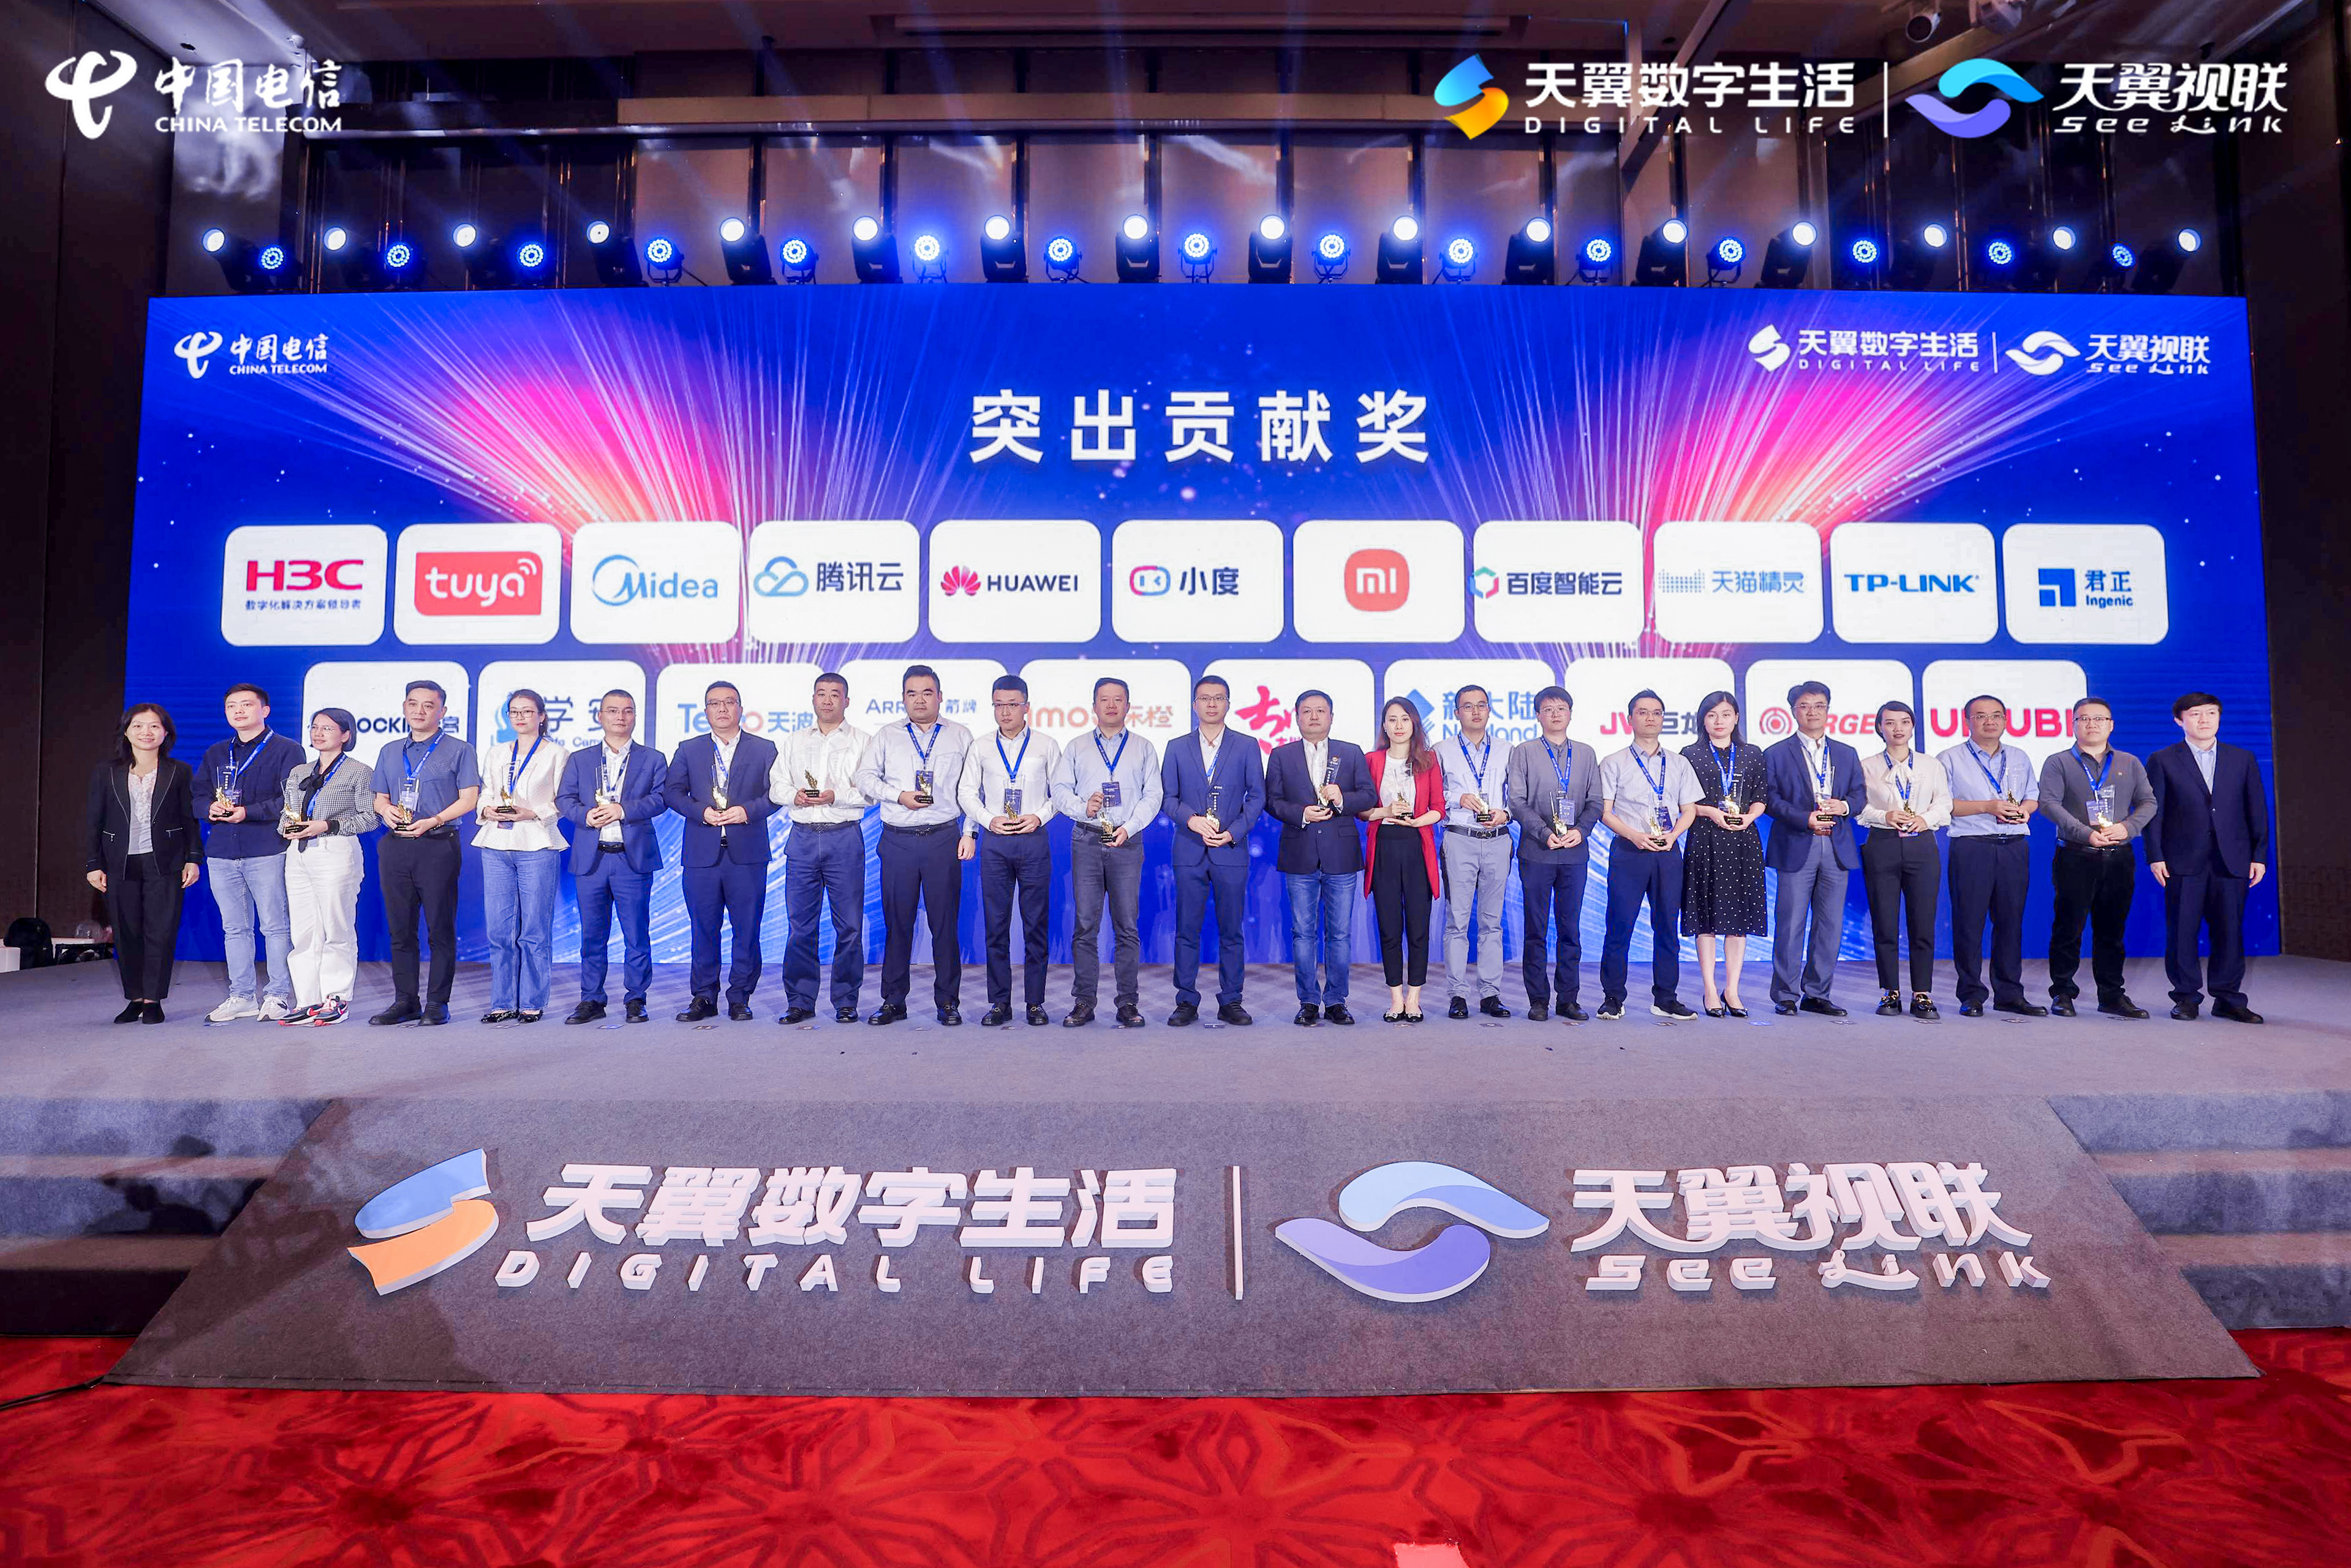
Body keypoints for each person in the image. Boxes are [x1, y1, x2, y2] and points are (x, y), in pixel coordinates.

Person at [851, 665, 976, 1027]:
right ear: (903, 698)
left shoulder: (960, 735)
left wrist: (970, 832)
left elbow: (973, 789)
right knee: (898, 924)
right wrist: (898, 795)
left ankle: (948, 1002)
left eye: (927, 693)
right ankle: (893, 1001)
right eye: (912, 694)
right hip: (898, 841)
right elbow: (864, 777)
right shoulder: (887, 735)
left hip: (943, 839)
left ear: (940, 697)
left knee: (944, 925)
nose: (919, 700)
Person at [2146, 692, 2270, 1023]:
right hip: (2182, 859)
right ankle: (2186, 997)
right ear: (2179, 720)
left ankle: (2228, 998)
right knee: (2182, 931)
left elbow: (2256, 809)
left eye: (2211, 713)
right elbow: (2154, 811)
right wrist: (2155, 855)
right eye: (2196, 714)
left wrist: (2259, 855)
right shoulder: (2163, 759)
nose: (2204, 720)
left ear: (2219, 717)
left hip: (2233, 859)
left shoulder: (2242, 758)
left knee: (2230, 931)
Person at [1049, 676, 1163, 1028]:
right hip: (1087, 839)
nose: (1111, 705)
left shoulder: (1143, 747)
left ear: (1128, 706)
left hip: (1127, 840)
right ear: (1094, 706)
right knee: (1085, 926)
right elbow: (1059, 789)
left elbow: (1153, 795)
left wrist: (1130, 827)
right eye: (1104, 699)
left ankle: (1128, 1002)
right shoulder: (1077, 747)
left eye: (1118, 700)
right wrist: (1083, 807)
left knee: (1127, 926)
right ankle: (1084, 1001)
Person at [663, 680, 780, 1022]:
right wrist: (700, 811)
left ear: (741, 709)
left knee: (747, 929)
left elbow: (777, 794)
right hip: (702, 855)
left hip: (748, 854)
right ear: (705, 712)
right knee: (703, 928)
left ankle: (740, 997)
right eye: (715, 703)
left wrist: (748, 811)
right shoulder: (689, 749)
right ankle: (704, 996)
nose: (723, 709)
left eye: (730, 702)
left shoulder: (764, 749)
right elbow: (672, 793)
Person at [369, 679, 481, 1027]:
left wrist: (434, 820)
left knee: (439, 928)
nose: (420, 711)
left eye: (429, 705)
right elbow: (379, 796)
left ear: (442, 711)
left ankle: (437, 1003)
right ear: (404, 708)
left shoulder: (459, 749)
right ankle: (406, 1001)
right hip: (395, 845)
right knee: (400, 929)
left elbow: (469, 799)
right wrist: (384, 810)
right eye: (413, 704)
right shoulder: (390, 750)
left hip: (437, 844)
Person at [2037, 698, 2157, 1019]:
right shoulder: (2059, 762)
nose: (2092, 724)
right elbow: (2049, 804)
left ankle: (2112, 995)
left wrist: (2127, 828)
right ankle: (2063, 992)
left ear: (2111, 725)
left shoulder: (2130, 762)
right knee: (2068, 928)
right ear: (2073, 724)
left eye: (2099, 719)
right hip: (2076, 855)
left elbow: (2148, 802)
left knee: (2112, 930)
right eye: (2084, 719)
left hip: (2119, 857)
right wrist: (2084, 833)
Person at [86, 703, 203, 1022]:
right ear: (127, 732)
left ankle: (153, 1000)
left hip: (165, 861)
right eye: (138, 726)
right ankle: (135, 998)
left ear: (165, 733)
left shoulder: (179, 771)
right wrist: (93, 864)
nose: (146, 732)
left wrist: (193, 859)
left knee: (161, 931)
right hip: (118, 862)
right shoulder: (106, 771)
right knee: (126, 932)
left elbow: (189, 819)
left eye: (154, 726)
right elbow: (94, 820)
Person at [1264, 688, 1375, 1027]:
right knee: (1303, 934)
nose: (1314, 716)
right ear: (1296, 717)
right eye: (1307, 711)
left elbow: (1368, 796)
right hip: (1299, 853)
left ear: (1331, 716)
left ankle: (1337, 1000)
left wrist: (1342, 800)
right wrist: (1302, 813)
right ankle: (1309, 1001)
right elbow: (1272, 801)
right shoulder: (1281, 755)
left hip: (1341, 856)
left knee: (1340, 934)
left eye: (1320, 711)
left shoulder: (1350, 752)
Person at [197, 683, 306, 1022]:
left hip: (266, 848)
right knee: (234, 929)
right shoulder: (217, 752)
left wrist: (249, 812)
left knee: (275, 926)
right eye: (232, 706)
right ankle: (242, 996)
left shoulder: (288, 750)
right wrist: (209, 808)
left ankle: (277, 995)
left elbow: (291, 800)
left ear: (265, 710)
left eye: (246, 705)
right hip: (221, 851)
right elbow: (197, 795)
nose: (239, 711)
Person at [1162, 674, 1266, 1027]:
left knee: (1232, 931)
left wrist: (1233, 832)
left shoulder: (1247, 745)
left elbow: (1258, 796)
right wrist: (1191, 821)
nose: (1211, 704)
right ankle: (1186, 1001)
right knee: (1186, 930)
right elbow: (1168, 798)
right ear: (1195, 705)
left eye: (1218, 698)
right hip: (1189, 849)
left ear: (1228, 704)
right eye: (1205, 698)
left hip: (1230, 850)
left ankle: (1231, 1000)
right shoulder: (1176, 747)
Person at [556, 690, 665, 1025]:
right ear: (600, 716)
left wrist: (623, 810)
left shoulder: (653, 758)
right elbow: (564, 799)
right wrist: (585, 816)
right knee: (592, 935)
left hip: (632, 860)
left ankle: (636, 999)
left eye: (627, 711)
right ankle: (592, 999)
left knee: (636, 933)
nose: (621, 717)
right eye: (613, 711)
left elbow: (661, 799)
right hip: (592, 859)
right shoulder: (581, 759)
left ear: (635, 717)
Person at [959, 675, 1061, 1027]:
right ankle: (1000, 1002)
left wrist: (1039, 817)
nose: (1005, 712)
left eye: (1013, 705)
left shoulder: (1046, 745)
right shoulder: (981, 746)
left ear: (1026, 707)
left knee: (1035, 925)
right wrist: (987, 821)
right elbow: (967, 792)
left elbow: (1061, 792)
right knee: (996, 926)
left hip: (1033, 839)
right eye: (999, 705)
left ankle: (1035, 1002)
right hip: (996, 841)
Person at [1762, 681, 1869, 1017]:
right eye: (1805, 706)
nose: (1813, 712)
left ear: (1828, 710)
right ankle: (1785, 994)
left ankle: (1817, 994)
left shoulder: (1846, 753)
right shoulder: (1776, 753)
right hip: (1798, 843)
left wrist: (1844, 807)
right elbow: (1770, 799)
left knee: (1830, 925)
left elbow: (1860, 795)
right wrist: (1804, 818)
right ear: (1793, 711)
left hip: (1836, 846)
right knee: (1790, 923)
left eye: (1819, 705)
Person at [1937, 693, 2045, 1017]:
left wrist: (2025, 811)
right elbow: (1943, 804)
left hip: (2014, 845)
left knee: (2011, 922)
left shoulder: (2019, 756)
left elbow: (2032, 796)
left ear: (2005, 721)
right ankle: (1971, 994)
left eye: (1996, 716)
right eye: (1981, 716)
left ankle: (2010, 993)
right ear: (1967, 721)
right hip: (1972, 845)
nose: (1990, 722)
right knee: (1969, 923)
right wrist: (1987, 806)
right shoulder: (1950, 758)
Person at [771, 673, 870, 1025]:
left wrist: (835, 796)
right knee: (800, 925)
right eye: (821, 694)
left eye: (835, 694)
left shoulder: (863, 741)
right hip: (802, 838)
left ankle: (846, 1000)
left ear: (847, 701)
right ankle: (800, 1001)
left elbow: (872, 792)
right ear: (813, 699)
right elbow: (776, 786)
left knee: (850, 926)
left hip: (844, 836)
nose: (827, 700)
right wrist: (793, 795)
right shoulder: (794, 741)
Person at [1597, 690, 1702, 1020]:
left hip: (1668, 851)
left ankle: (1666, 998)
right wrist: (1635, 836)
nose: (1650, 718)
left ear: (1663, 719)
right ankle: (1613, 998)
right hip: (1630, 851)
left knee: (1667, 926)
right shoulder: (1613, 762)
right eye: (1643, 712)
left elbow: (1689, 809)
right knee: (1620, 925)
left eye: (1656, 712)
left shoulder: (1679, 763)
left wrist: (1673, 835)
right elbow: (1605, 812)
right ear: (1630, 719)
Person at [1504, 687, 1602, 1022]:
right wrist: (1545, 833)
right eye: (1548, 709)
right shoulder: (1524, 752)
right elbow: (1517, 801)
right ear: (1538, 715)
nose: (1556, 714)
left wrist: (1581, 831)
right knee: (1536, 930)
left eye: (1562, 708)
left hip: (1574, 853)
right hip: (1537, 852)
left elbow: (1596, 802)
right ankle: (1538, 1000)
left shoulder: (1586, 753)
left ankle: (1568, 999)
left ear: (1571, 713)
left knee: (1570, 930)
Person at [472, 689, 569, 1024]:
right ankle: (502, 1002)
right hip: (496, 843)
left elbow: (563, 799)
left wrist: (533, 812)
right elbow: (487, 790)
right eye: (514, 711)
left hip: (538, 843)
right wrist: (486, 808)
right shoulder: (497, 752)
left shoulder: (557, 754)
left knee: (535, 931)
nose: (520, 717)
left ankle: (532, 1001)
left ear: (542, 716)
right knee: (499, 931)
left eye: (527, 711)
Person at [276, 708, 376, 1026]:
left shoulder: (360, 772)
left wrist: (327, 825)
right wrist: (287, 827)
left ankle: (337, 998)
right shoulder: (299, 771)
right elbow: (288, 811)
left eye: (328, 728)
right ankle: (307, 1000)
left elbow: (370, 817)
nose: (318, 733)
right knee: (303, 930)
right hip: (298, 852)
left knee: (337, 926)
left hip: (336, 850)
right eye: (315, 727)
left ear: (346, 735)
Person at [1857, 701, 1950, 1019]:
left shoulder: (1931, 765)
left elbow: (1945, 804)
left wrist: (1924, 820)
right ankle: (1890, 992)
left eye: (1904, 722)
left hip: (1922, 845)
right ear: (1879, 728)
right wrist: (1885, 815)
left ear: (1912, 727)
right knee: (1885, 922)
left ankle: (1922, 993)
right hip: (1881, 844)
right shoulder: (1867, 766)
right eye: (1890, 723)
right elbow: (1859, 808)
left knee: (1922, 922)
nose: (1897, 728)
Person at [1679, 691, 1768, 1018]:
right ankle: (1710, 989)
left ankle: (1732, 990)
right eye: (1712, 715)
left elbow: (1761, 795)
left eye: (1726, 714)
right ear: (1703, 720)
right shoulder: (1690, 755)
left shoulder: (1752, 754)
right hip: (1705, 839)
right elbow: (1684, 801)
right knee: (1706, 919)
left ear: (1736, 718)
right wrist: (1709, 812)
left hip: (1744, 841)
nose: (1719, 721)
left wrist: (1751, 816)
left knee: (1738, 921)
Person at [1364, 696, 1446, 1023]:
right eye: (1392, 719)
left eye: (1405, 719)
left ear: (1414, 724)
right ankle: (1395, 998)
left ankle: (1414, 998)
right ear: (1384, 726)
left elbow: (1439, 808)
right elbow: (1361, 810)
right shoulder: (1371, 760)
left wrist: (1417, 822)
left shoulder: (1428, 760)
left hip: (1416, 844)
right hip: (1384, 845)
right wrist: (1384, 811)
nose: (1398, 726)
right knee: (1389, 926)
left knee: (1418, 927)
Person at [1438, 685, 1515, 1020]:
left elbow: (1520, 795)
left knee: (1492, 922)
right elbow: (1430, 795)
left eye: (1482, 705)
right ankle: (1457, 994)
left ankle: (1490, 994)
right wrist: (1457, 798)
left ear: (1489, 710)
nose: (1476, 711)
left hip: (1497, 839)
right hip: (1460, 838)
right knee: (1457, 921)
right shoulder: (1441, 750)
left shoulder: (1508, 750)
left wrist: (1506, 813)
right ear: (1457, 713)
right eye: (1468, 706)